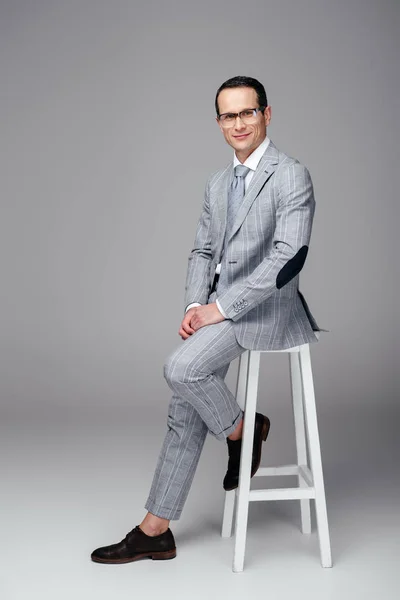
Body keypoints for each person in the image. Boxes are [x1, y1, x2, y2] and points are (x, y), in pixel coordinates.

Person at [91, 75, 323, 564]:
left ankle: (242, 429)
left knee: (181, 371)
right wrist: (194, 306)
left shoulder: (290, 174)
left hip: (268, 309)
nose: (238, 123)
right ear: (218, 122)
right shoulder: (218, 183)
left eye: (248, 112)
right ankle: (157, 527)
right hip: (219, 309)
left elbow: (289, 257)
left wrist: (222, 307)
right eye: (228, 115)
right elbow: (202, 249)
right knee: (184, 404)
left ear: (267, 113)